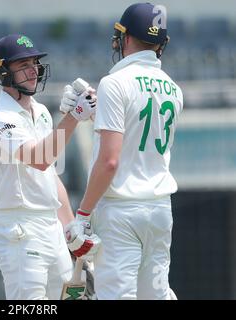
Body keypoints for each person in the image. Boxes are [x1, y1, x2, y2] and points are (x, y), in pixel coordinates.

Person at [61, 3, 183, 299]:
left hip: (121, 210)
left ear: (125, 38)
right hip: (159, 210)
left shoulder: (114, 83)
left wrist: (83, 213)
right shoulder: (173, 88)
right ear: (160, 44)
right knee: (155, 295)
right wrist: (95, 113)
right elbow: (139, 131)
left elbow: (111, 161)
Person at [0, 34, 101, 300]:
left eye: (34, 63)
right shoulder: (0, 118)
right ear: (3, 73)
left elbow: (49, 174)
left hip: (50, 227)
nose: (33, 70)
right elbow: (39, 157)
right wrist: (73, 117)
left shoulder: (43, 112)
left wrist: (71, 228)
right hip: (19, 228)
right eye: (23, 64)